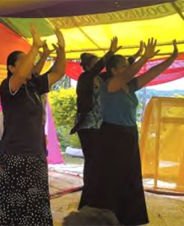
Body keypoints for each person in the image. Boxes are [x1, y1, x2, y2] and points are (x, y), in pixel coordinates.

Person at [95, 39, 178, 225]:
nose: (128, 67)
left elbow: (151, 73)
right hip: (112, 136)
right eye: (124, 65)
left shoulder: (129, 87)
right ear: (113, 70)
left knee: (129, 177)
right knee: (113, 178)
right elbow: (132, 72)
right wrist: (144, 57)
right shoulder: (109, 85)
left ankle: (127, 217)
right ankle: (107, 218)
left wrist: (171, 59)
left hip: (129, 135)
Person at [0, 26, 66, 226]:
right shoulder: (9, 86)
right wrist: (34, 47)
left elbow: (59, 72)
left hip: (36, 153)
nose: (30, 65)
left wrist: (62, 49)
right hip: (16, 154)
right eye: (23, 62)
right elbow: (21, 75)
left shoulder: (34, 86)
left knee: (36, 202)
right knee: (14, 203)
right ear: (11, 68)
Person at [70, 37, 122, 209]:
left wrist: (135, 58)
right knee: (93, 162)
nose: (100, 64)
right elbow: (100, 68)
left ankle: (92, 197)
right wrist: (110, 52)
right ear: (87, 66)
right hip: (87, 126)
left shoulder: (99, 78)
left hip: (97, 126)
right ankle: (87, 201)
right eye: (96, 62)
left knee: (96, 162)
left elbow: (119, 71)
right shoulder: (85, 77)